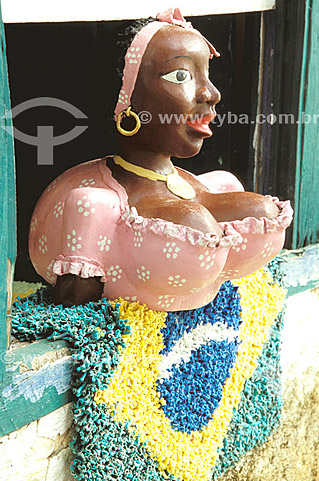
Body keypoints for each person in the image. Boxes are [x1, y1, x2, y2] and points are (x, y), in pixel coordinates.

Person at [28, 8, 293, 311]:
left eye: (207, 74)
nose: (211, 92)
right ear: (125, 101)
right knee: (195, 221)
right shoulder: (92, 202)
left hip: (203, 299)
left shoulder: (210, 184)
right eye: (181, 75)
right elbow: (73, 304)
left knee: (261, 209)